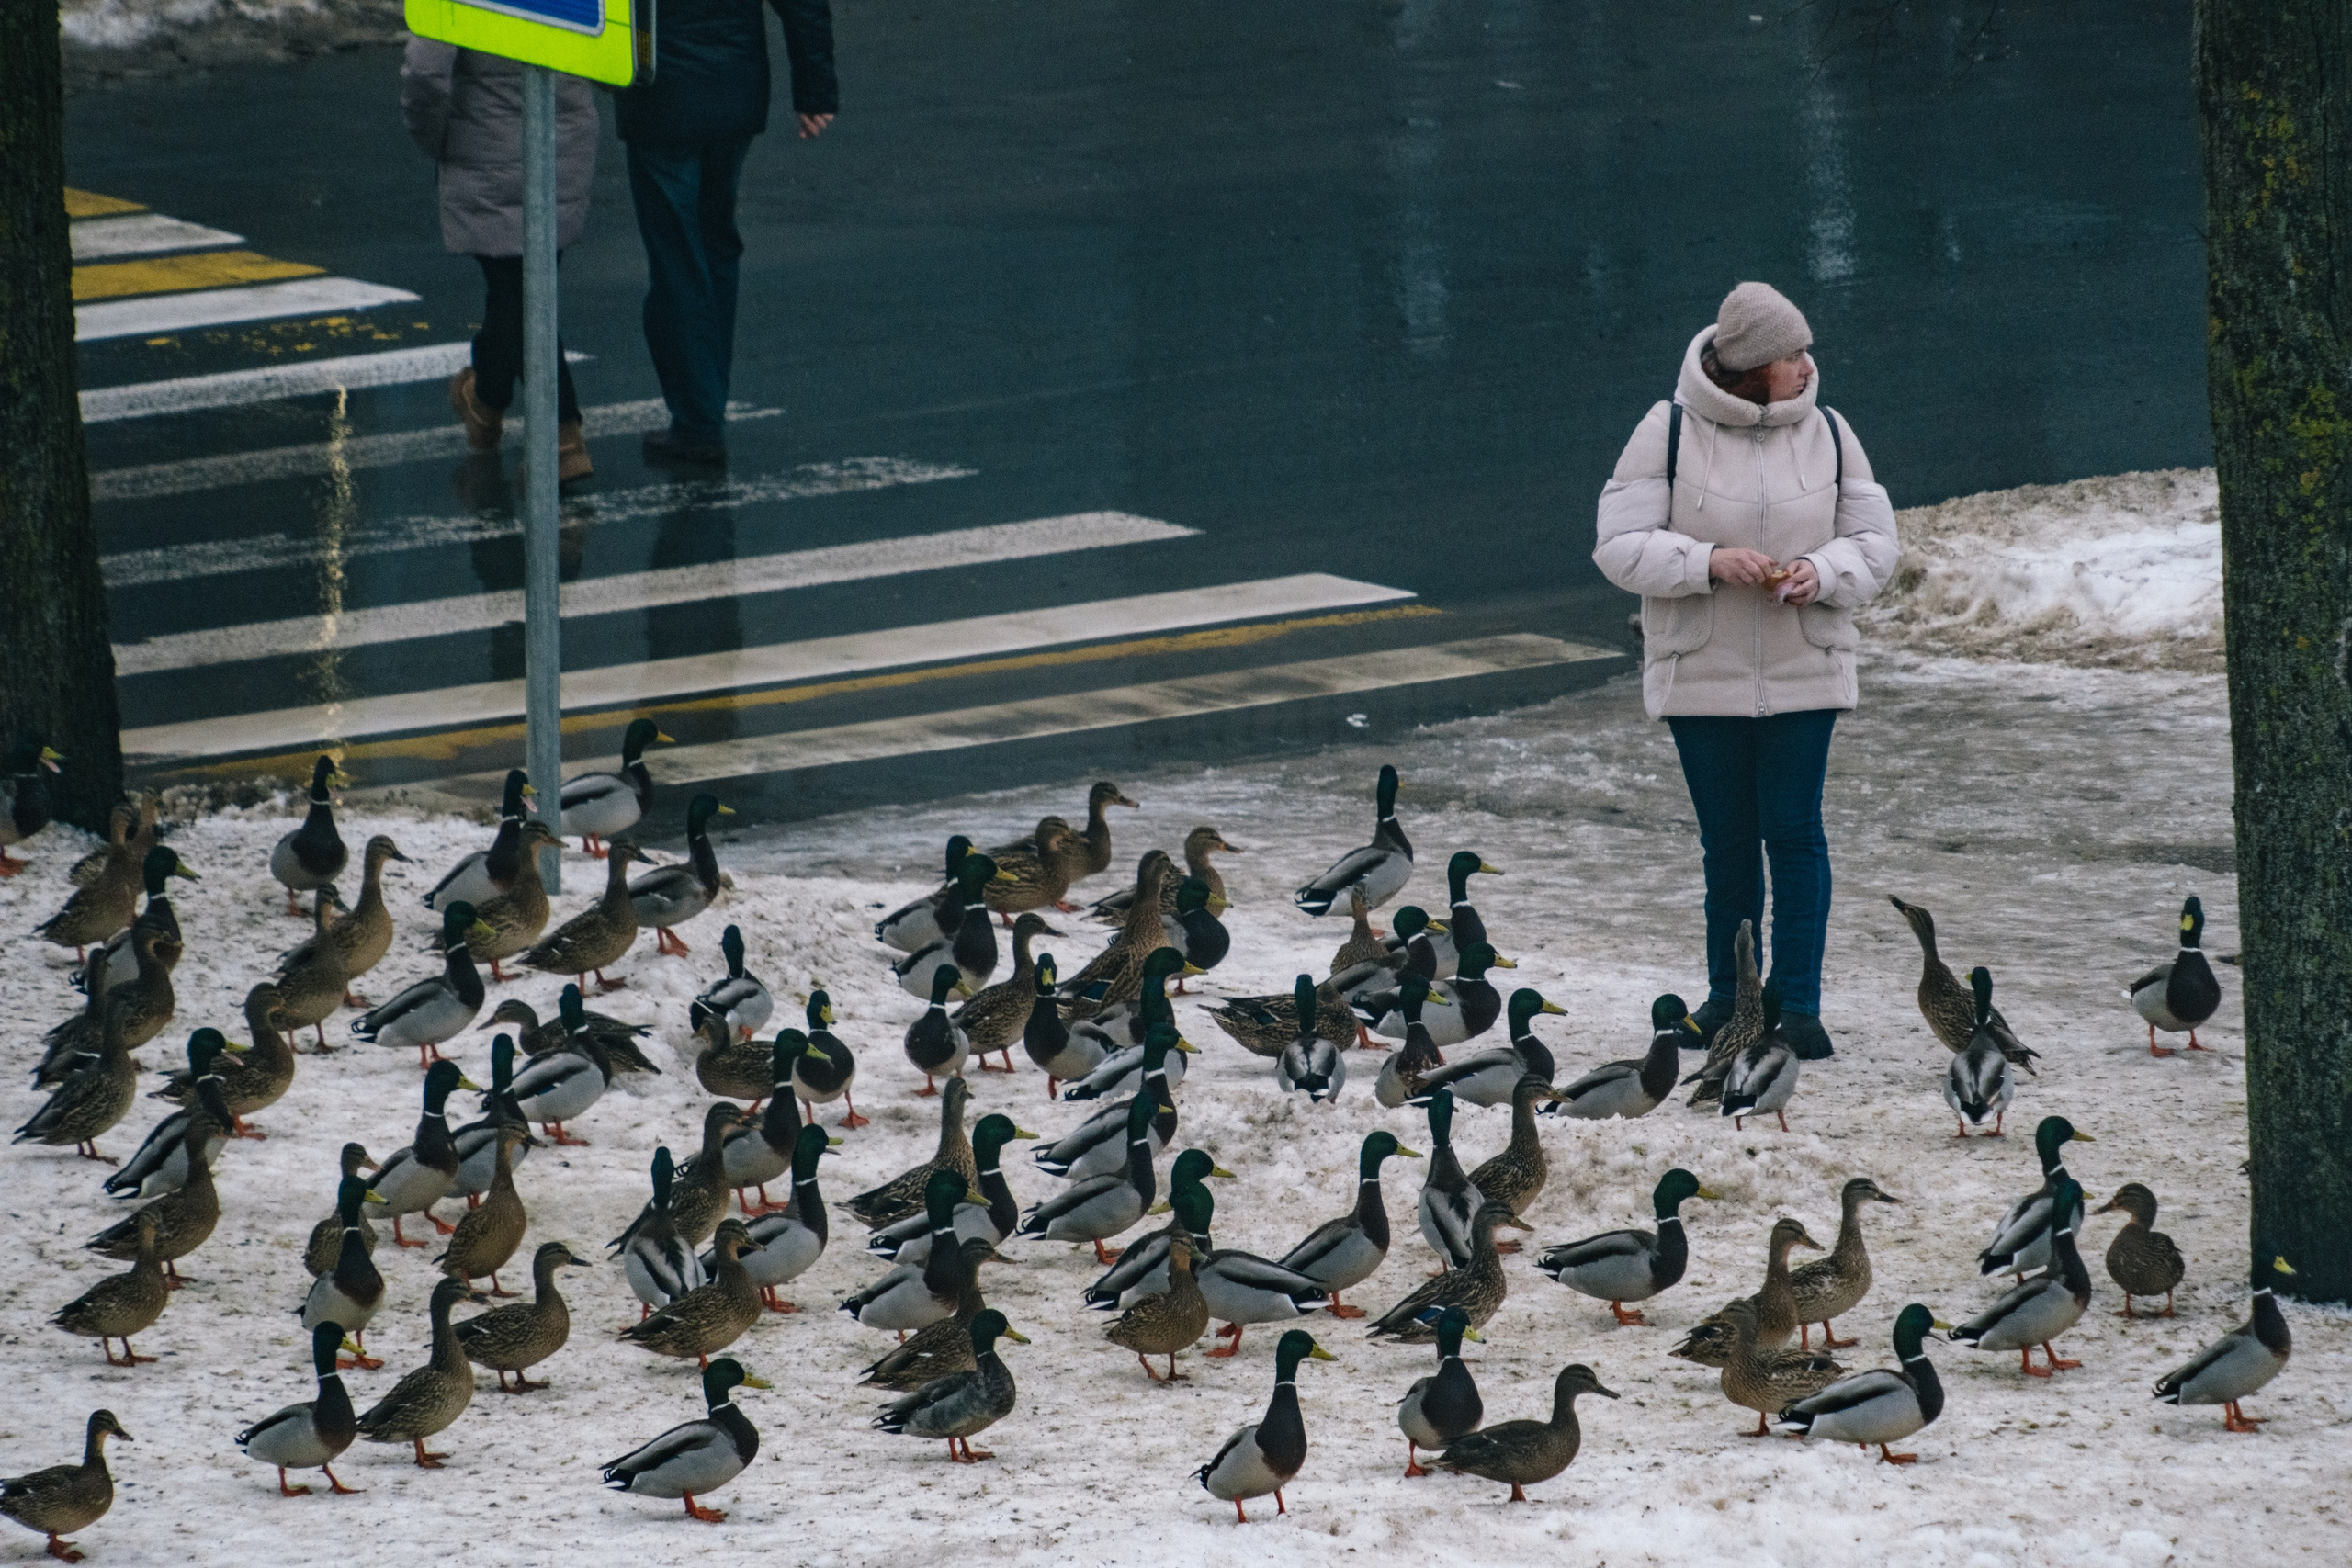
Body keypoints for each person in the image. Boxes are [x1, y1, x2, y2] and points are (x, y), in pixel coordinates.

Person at [1592, 282, 1898, 1058]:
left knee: (1794, 835)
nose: (1808, 366)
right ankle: (1732, 1000)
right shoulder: (1666, 431)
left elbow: (1875, 544)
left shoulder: (1831, 432)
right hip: (1703, 674)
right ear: (1755, 365)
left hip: (1803, 672)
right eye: (1793, 354)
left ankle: (1798, 1006)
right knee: (1728, 844)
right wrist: (1706, 561)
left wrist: (1821, 572)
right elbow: (1617, 546)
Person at [616, 0, 839, 466]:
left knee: (678, 261)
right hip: (734, 85)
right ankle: (705, 408)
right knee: (714, 245)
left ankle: (699, 419)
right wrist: (815, 90)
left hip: (660, 91)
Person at [401, 39, 600, 482]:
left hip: (487, 147)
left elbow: (425, 73)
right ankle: (485, 402)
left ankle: (562, 435)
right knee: (519, 292)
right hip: (564, 141)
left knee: (519, 296)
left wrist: (438, 140)